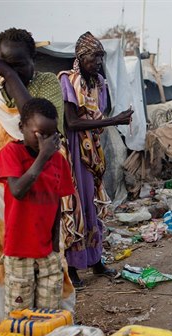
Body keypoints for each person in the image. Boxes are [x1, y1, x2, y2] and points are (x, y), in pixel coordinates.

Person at [0, 27, 74, 331]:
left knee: (47, 290)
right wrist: (4, 77)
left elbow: (35, 117)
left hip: (38, 195)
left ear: (33, 59)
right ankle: (5, 330)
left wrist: (6, 74)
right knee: (12, 282)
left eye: (17, 65)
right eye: (4, 64)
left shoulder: (47, 84)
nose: (9, 72)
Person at [59, 32, 133, 289]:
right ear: (80, 57)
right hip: (74, 153)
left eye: (101, 57)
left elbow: (98, 114)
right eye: (94, 57)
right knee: (77, 205)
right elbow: (73, 122)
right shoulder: (68, 81)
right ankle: (72, 267)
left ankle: (96, 261)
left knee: (93, 206)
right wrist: (115, 121)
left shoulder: (99, 83)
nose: (98, 63)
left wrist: (114, 120)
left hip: (94, 153)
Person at [0, 98, 74, 314]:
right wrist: (42, 156)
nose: (46, 141)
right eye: (40, 134)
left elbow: (57, 202)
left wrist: (56, 246)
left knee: (49, 312)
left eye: (51, 135)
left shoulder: (59, 161)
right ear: (22, 127)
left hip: (47, 250)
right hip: (19, 249)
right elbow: (18, 191)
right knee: (20, 313)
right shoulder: (11, 153)